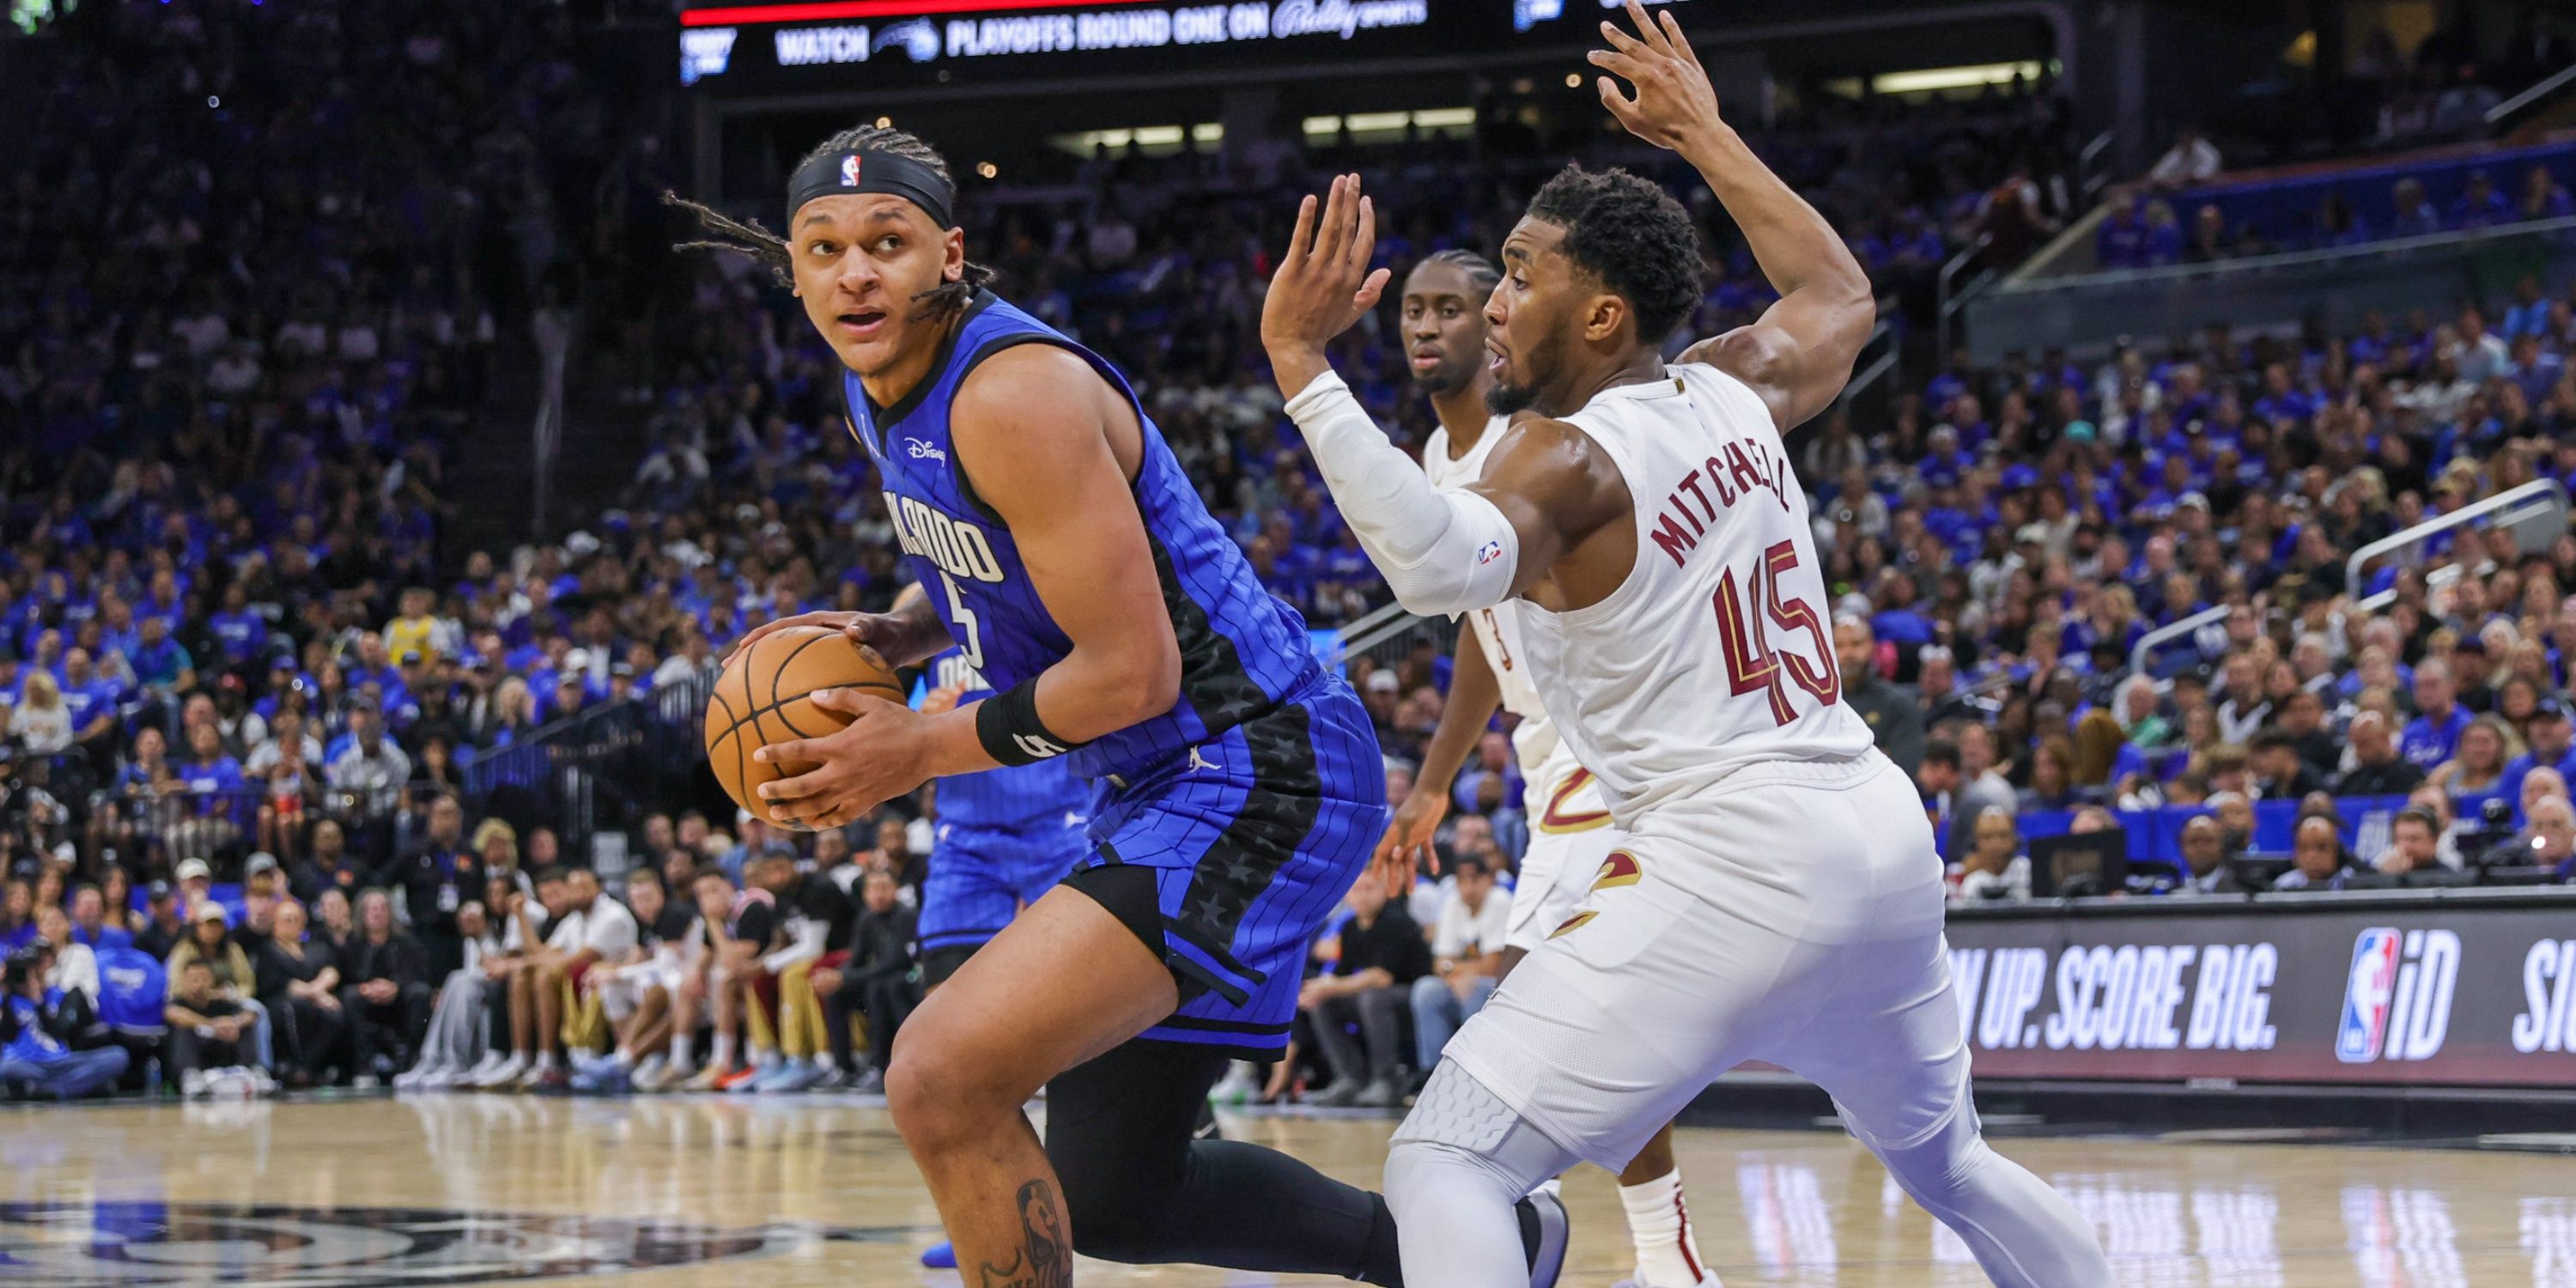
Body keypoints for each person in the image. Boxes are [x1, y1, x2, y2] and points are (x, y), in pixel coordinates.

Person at [1258, 8, 2110, 1285]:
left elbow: (1438, 568)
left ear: (1601, 317)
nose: (1494, 304)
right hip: (1874, 837)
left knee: (1450, 1164)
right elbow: (1838, 293)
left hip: (1728, 852)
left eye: (1519, 274)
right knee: (1954, 1168)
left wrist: (1300, 364)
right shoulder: (1734, 383)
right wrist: (1707, 134)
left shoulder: (1565, 456)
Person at [679, 117, 1444, 1285]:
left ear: (949, 253)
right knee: (1119, 1195)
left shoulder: (1012, 393)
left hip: (1256, 761)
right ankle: (1474, 1258)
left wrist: (920, 749)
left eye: (886, 240)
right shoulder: (872, 383)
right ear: (793, 269)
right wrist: (908, 627)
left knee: (941, 1072)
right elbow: (989, 555)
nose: (854, 271)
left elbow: (1133, 674)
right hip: (1164, 777)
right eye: (824, 249)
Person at [1370, 248, 1710, 1288]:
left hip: (1608, 749)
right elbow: (1481, 625)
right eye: (1413, 310)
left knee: (1534, 1016)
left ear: (1500, 321)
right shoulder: (1436, 454)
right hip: (1544, 757)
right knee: (1574, 1024)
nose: (1425, 327)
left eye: (1451, 309)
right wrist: (1434, 779)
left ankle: (1543, 1226)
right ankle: (1657, 1254)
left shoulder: (1542, 445)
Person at [1298, 871, 1430, 1109]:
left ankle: (1386, 1080)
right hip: (1377, 1000)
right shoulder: (1350, 927)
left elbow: (1382, 977)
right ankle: (1350, 1079)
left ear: (1385, 891)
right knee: (1323, 1003)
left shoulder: (1395, 922)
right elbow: (1341, 974)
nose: (1363, 896)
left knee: (1372, 998)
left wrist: (1330, 987)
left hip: (1415, 998)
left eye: (1370, 888)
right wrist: (1319, 989)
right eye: (1357, 889)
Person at [1, 943, 128, 1101]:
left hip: (62, 1061)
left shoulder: (58, 994)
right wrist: (6, 993)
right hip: (27, 1064)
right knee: (7, 1068)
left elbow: (58, 1031)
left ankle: (52, 1089)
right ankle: (79, 1087)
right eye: (32, 967)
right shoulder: (6, 1001)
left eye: (42, 964)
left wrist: (39, 1002)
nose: (36, 971)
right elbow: (8, 1035)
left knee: (118, 1056)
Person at [337, 889, 429, 1083]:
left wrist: (396, 987)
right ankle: (364, 1066)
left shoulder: (408, 942)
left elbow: (419, 975)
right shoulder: (352, 944)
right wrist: (366, 988)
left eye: (382, 908)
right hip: (366, 1000)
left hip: (399, 999)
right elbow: (345, 978)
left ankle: (411, 1061)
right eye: (372, 909)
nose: (377, 913)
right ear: (363, 914)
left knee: (420, 993)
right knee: (349, 996)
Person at [256, 898, 346, 1086]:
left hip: (319, 998)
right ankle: (297, 1068)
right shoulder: (269, 951)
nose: (292, 924)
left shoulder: (316, 947)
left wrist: (319, 991)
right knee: (296, 1008)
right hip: (283, 1001)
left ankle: (313, 1067)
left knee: (336, 1012)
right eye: (287, 919)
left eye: (296, 919)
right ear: (275, 923)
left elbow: (331, 971)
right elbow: (286, 984)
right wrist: (318, 994)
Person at [163, 957, 258, 1097]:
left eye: (204, 978)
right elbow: (173, 1014)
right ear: (184, 980)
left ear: (212, 980)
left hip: (221, 1053)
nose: (199, 984)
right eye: (194, 979)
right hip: (193, 1055)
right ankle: (191, 1076)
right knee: (183, 1027)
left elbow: (251, 1014)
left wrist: (235, 1023)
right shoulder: (179, 1001)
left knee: (246, 1028)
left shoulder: (220, 1002)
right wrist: (212, 1025)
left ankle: (253, 1071)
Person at [1951, 809, 2033, 904]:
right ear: (1976, 843)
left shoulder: (2029, 872)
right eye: (1987, 837)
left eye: (2003, 836)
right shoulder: (1968, 880)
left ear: (2015, 839)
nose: (1996, 845)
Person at [2272, 816, 2360, 890]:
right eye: (2304, 848)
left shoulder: (2356, 886)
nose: (2312, 856)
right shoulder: (2282, 887)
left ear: (2336, 851)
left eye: (2321, 848)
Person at [2172, 815, 2252, 895]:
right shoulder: (2171, 894)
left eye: (2208, 841)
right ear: (2182, 847)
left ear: (2222, 845)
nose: (2200, 848)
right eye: (2193, 841)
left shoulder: (2241, 893)